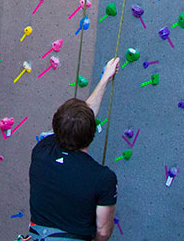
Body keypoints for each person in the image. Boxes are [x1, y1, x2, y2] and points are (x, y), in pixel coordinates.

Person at [20, 56, 121, 241]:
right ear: (91, 136)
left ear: (56, 128)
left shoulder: (41, 151)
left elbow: (77, 120)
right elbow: (103, 231)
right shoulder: (103, 178)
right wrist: (106, 77)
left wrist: (105, 78)